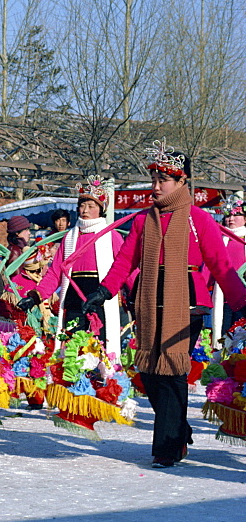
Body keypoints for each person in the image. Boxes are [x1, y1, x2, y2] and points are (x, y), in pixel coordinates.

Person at [83, 144, 246, 468]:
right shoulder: (144, 221)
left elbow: (220, 264)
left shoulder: (199, 220)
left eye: (164, 179)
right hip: (148, 299)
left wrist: (241, 303)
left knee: (172, 373)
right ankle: (179, 428)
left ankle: (168, 447)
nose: (156, 186)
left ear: (182, 180)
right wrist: (105, 290)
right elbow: (125, 260)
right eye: (154, 178)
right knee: (150, 373)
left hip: (186, 302)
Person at [20, 176, 123, 354]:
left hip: (100, 301)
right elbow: (55, 273)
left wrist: (140, 291)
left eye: (91, 206)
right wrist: (36, 296)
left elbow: (125, 269)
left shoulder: (111, 236)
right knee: (72, 350)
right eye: (82, 205)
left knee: (99, 352)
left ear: (101, 210)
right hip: (73, 301)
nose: (85, 210)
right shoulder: (69, 237)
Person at [212, 196, 246, 344]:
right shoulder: (218, 238)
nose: (231, 219)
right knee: (223, 335)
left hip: (244, 295)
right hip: (223, 296)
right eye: (228, 215)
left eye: (236, 215)